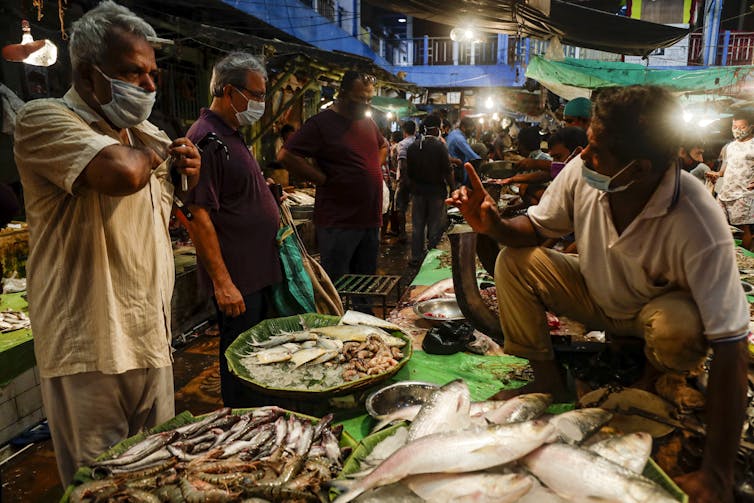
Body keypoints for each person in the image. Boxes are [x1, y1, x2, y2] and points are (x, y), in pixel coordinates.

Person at [447, 85, 747, 502]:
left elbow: (732, 346)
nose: (583, 157)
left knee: (679, 327)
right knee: (514, 262)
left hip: (651, 317)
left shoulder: (699, 222)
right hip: (595, 295)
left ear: (640, 168)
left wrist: (717, 471)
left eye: (596, 150)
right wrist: (492, 224)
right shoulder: (585, 173)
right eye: (587, 142)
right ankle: (546, 380)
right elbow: (535, 230)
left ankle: (656, 374)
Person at [13, 0, 201, 485]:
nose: (150, 86)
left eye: (153, 74)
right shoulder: (43, 121)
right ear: (88, 74)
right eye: (133, 73)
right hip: (88, 347)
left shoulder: (146, 134)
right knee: (101, 485)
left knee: (157, 477)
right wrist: (161, 155)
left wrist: (187, 174)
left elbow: (159, 197)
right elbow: (120, 172)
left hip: (149, 335)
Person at [183, 52, 282, 408]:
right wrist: (223, 283)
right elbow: (198, 215)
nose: (261, 103)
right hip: (237, 279)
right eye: (255, 95)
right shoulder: (205, 139)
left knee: (258, 355)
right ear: (228, 90)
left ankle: (257, 416)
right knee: (239, 360)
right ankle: (239, 424)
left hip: (257, 273)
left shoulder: (231, 135)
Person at [277, 71, 388, 302]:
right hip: (339, 222)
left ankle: (365, 329)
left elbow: (383, 146)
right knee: (338, 289)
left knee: (365, 287)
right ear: (343, 93)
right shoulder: (321, 123)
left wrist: (371, 170)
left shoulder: (367, 121)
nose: (365, 104)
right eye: (360, 99)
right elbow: (286, 155)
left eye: (369, 99)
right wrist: (322, 179)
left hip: (369, 219)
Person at [405, 115, 454, 266]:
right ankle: (432, 260)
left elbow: (409, 173)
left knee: (418, 226)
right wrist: (453, 188)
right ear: (435, 128)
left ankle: (416, 257)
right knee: (434, 226)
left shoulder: (413, 146)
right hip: (436, 193)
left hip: (418, 192)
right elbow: (448, 170)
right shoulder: (439, 146)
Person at [707, 113, 754, 249]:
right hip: (725, 192)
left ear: (751, 127)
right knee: (718, 224)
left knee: (742, 228)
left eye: (742, 127)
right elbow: (724, 167)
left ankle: (746, 260)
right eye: (734, 126)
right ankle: (726, 253)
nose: (737, 130)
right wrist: (717, 174)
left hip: (743, 194)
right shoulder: (729, 147)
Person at [393, 120, 418, 240]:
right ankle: (417, 234)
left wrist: (403, 180)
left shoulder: (403, 144)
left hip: (405, 180)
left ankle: (402, 233)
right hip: (418, 180)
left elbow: (402, 164)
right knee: (417, 208)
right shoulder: (420, 143)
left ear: (404, 131)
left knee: (401, 207)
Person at [446, 117, 480, 185]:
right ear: (463, 127)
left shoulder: (454, 133)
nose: (471, 132)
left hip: (453, 168)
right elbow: (472, 156)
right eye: (470, 129)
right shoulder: (459, 139)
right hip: (457, 170)